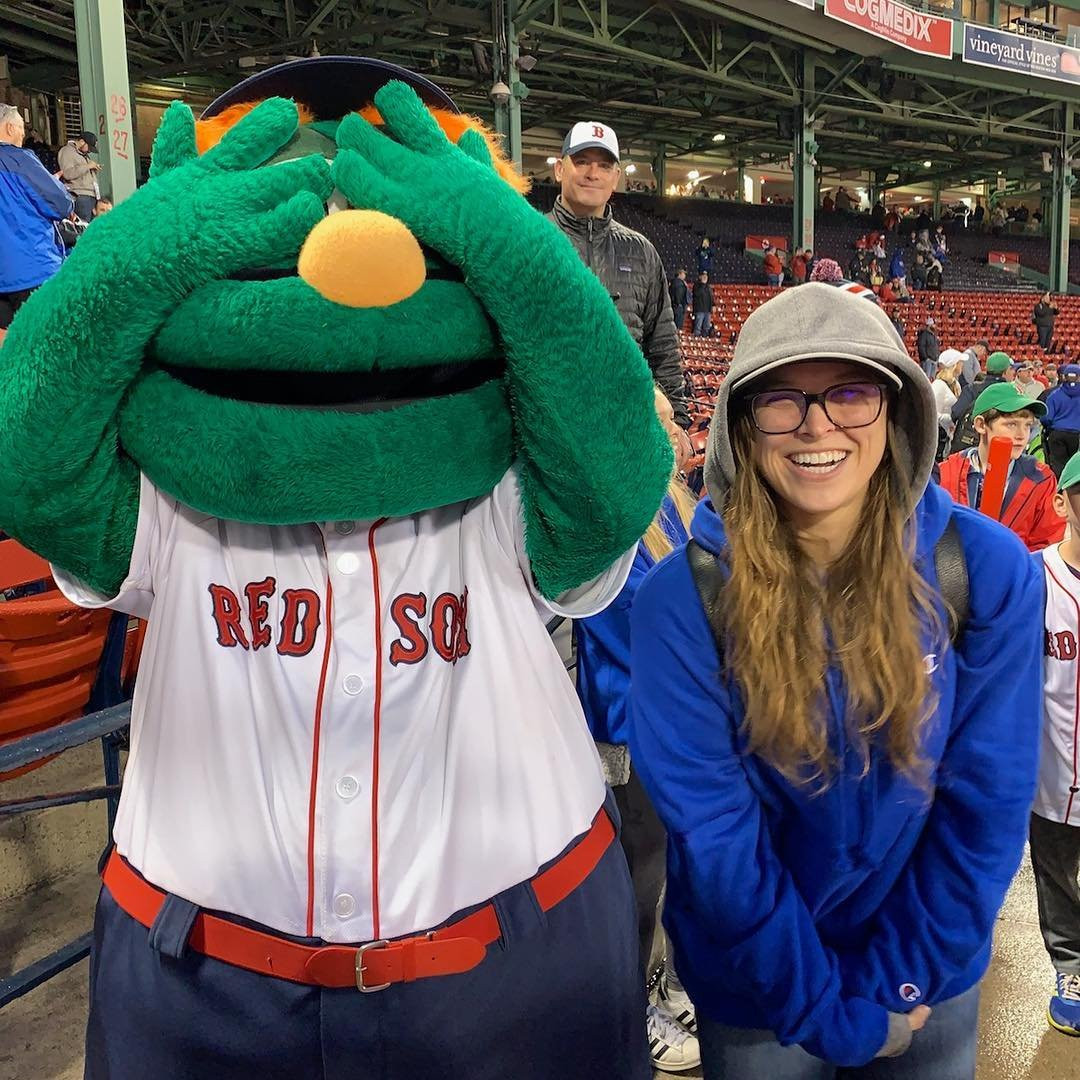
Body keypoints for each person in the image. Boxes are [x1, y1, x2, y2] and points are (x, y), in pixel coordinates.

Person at [0, 62, 675, 1080]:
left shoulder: (509, 471)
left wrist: (512, 244)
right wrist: (132, 253)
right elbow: (29, 458)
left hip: (517, 974)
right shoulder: (168, 494)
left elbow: (616, 482)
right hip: (201, 986)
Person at [629, 282, 1042, 1077]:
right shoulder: (679, 600)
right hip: (757, 985)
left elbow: (985, 803)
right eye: (783, 400)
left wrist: (900, 980)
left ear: (896, 411)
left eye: (851, 393)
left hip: (929, 977)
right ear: (742, 427)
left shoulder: (984, 571)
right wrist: (824, 1010)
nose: (818, 426)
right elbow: (717, 837)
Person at [576, 387, 701, 1072]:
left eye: (665, 426)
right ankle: (630, 1015)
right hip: (629, 727)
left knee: (671, 868)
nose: (663, 440)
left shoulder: (674, 507)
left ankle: (666, 987)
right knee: (637, 881)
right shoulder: (605, 520)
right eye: (645, 427)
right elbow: (631, 626)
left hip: (673, 720)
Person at [549, 121, 689, 427]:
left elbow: (662, 346)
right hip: (547, 426)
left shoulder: (641, 251)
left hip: (626, 427)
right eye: (582, 161)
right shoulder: (529, 239)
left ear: (615, 178)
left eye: (604, 165)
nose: (592, 173)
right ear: (560, 169)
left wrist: (678, 424)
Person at [1034, 453, 1080, 1038]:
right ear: (1062, 502)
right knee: (1058, 878)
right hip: (1052, 769)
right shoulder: (1031, 578)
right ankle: (1072, 970)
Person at [938, 384, 1063, 552]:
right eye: (1011, 424)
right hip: (954, 574)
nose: (1022, 435)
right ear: (981, 425)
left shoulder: (1040, 479)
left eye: (1027, 425)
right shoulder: (946, 473)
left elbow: (1046, 545)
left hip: (1013, 575)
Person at [0, 102, 73, 330]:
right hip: (32, 270)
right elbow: (60, 204)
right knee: (45, 343)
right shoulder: (19, 159)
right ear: (10, 128)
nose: (23, 134)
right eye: (22, 127)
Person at [57, 129, 102, 223]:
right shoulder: (67, 151)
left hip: (92, 196)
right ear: (81, 141)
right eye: (89, 147)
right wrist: (88, 166)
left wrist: (92, 169)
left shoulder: (83, 155)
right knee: (83, 229)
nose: (89, 151)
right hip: (80, 196)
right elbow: (67, 173)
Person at [1043, 364, 1080, 478]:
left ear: (1064, 377)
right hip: (1077, 435)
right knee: (1076, 467)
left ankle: (1059, 492)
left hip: (1057, 434)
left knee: (1058, 466)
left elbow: (1046, 418)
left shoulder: (1054, 395)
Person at [931, 349, 965, 460]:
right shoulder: (938, 385)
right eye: (960, 362)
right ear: (954, 364)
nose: (962, 365)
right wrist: (948, 420)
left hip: (949, 435)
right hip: (939, 436)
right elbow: (932, 412)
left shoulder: (956, 385)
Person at [692, 271, 713, 336]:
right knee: (698, 327)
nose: (705, 277)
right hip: (699, 310)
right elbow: (697, 294)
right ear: (700, 277)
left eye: (706, 276)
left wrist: (713, 305)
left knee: (706, 328)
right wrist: (703, 285)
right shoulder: (696, 285)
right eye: (703, 276)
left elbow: (711, 297)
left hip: (707, 310)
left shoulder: (708, 287)